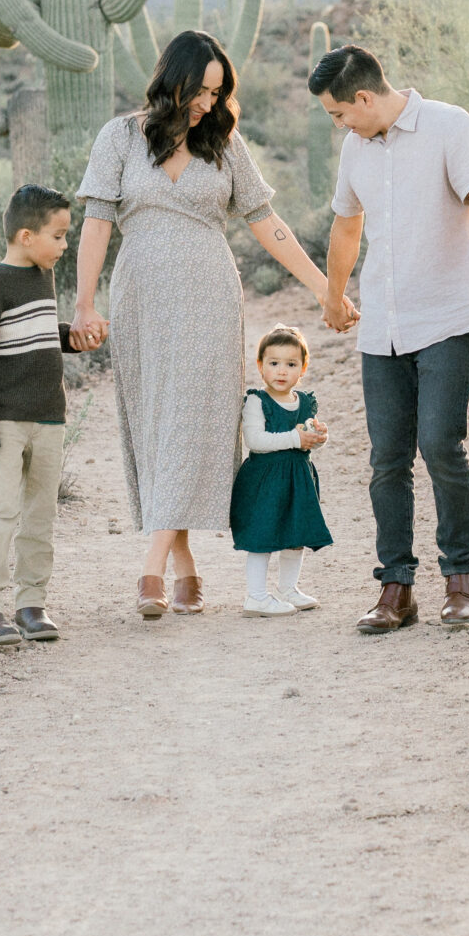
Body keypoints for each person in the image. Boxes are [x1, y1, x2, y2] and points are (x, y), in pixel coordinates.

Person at [71, 30, 341, 618]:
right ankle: (186, 566)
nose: (209, 104)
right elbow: (95, 221)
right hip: (141, 293)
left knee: (194, 417)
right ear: (175, 79)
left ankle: (151, 570)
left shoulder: (225, 145)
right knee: (158, 423)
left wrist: (324, 287)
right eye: (202, 90)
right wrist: (84, 304)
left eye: (219, 94)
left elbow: (265, 221)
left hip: (208, 297)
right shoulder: (119, 138)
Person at [310, 40, 469, 634]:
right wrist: (334, 292)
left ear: (362, 96)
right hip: (383, 324)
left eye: (339, 114)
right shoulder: (356, 148)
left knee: (440, 445)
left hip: (450, 315)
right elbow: (346, 227)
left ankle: (461, 578)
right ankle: (396, 588)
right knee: (387, 460)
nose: (339, 126)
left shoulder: (449, 126)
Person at [0, 183, 97, 652]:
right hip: (5, 422)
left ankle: (31, 604)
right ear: (25, 235)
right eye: (57, 236)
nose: (64, 246)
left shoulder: (43, 277)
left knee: (41, 515)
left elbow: (32, 333)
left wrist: (70, 337)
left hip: (49, 418)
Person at [230, 325, 332, 615]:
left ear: (303, 367)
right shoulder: (256, 402)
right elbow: (256, 441)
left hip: (298, 478)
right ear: (261, 366)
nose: (281, 371)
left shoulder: (305, 402)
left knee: (295, 534)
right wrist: (295, 439)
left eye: (291, 364)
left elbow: (307, 442)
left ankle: (288, 588)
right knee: (263, 536)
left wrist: (318, 438)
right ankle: (256, 596)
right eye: (274, 363)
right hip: (264, 480)